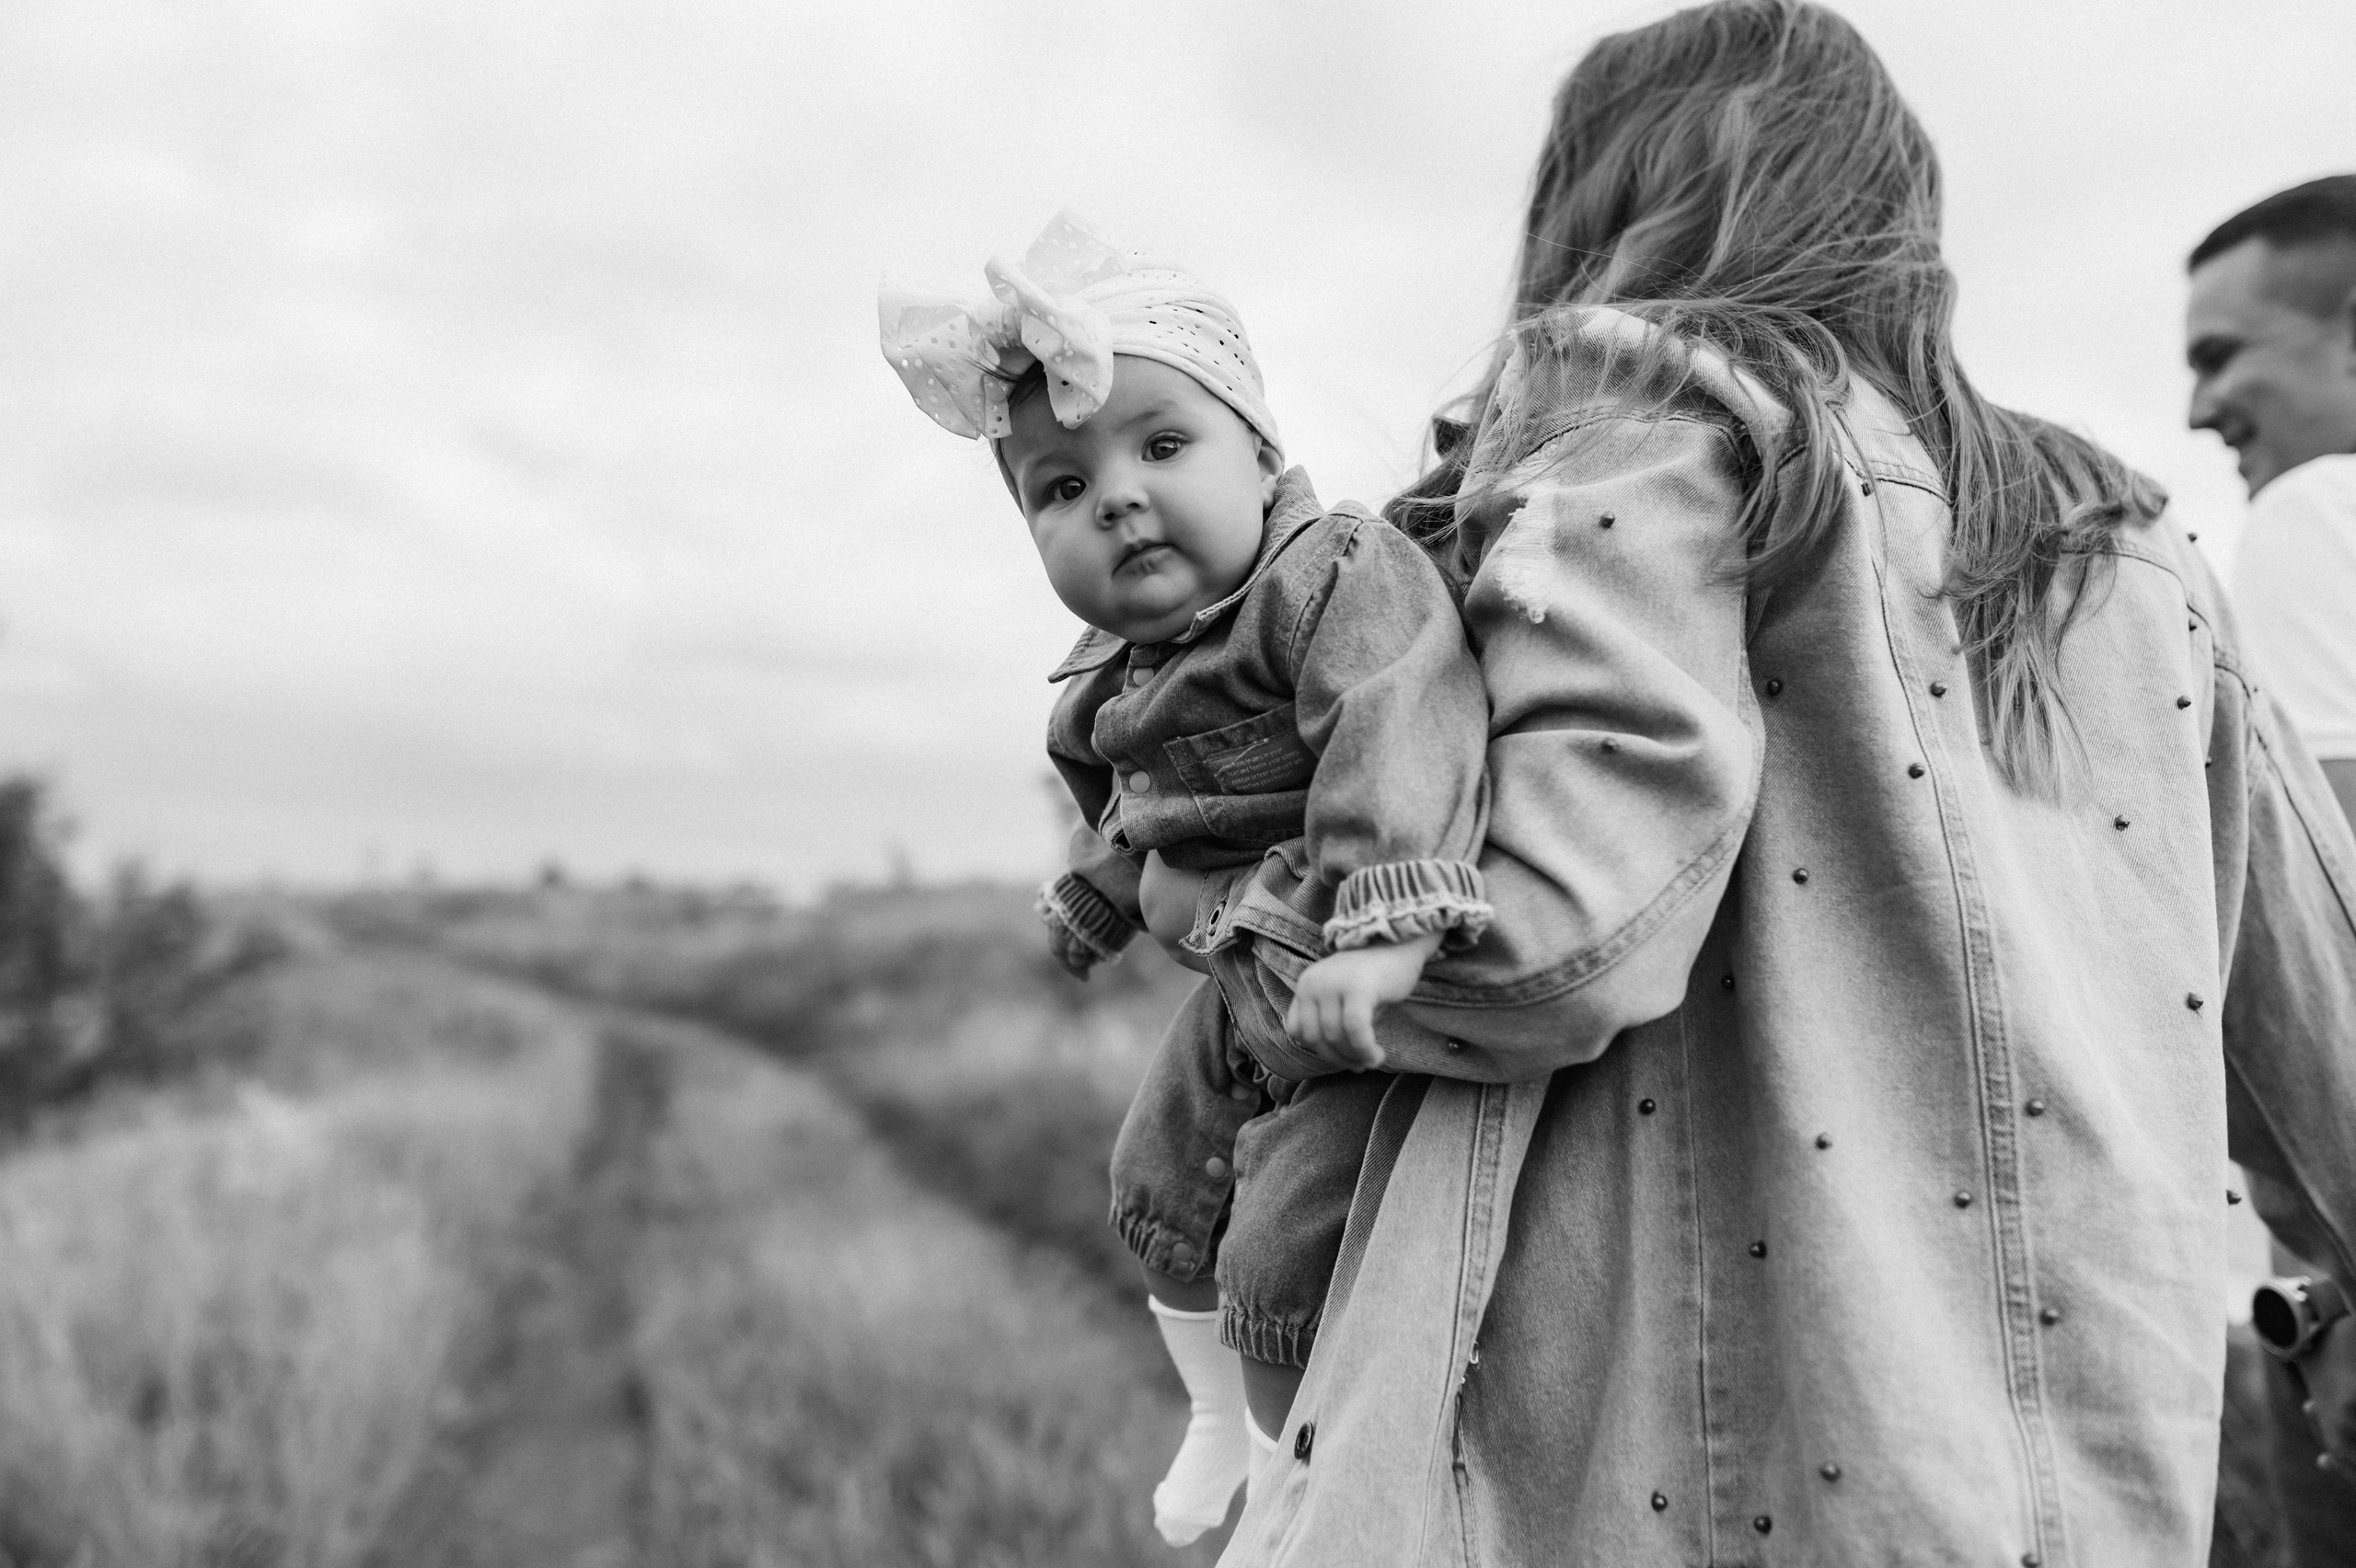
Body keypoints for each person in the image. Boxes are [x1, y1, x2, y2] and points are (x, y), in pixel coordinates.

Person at [1213, 4, 2356, 1563]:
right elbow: (2322, 1035)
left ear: (1601, 203)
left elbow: (1550, 956)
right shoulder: (2133, 551)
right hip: (2083, 1501)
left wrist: (1248, 926)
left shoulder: (1626, 451)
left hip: (1669, 1487)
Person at [877, 214, 1493, 1545]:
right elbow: (1141, 807)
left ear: (1261, 454)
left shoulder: (1331, 578)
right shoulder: (1117, 672)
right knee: (1156, 1175)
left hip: (1337, 984)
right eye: (1058, 487)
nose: (1114, 498)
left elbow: (1400, 728)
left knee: (1280, 1245)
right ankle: (1216, 1414)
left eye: (1162, 447)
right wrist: (1099, 898)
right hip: (1234, 993)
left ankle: (1288, 1486)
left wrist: (1385, 929)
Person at [2186, 172, 2356, 1563]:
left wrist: (2332, 1291)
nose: (2200, 409)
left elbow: (2323, 941)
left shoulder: (2323, 516)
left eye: (2224, 353)